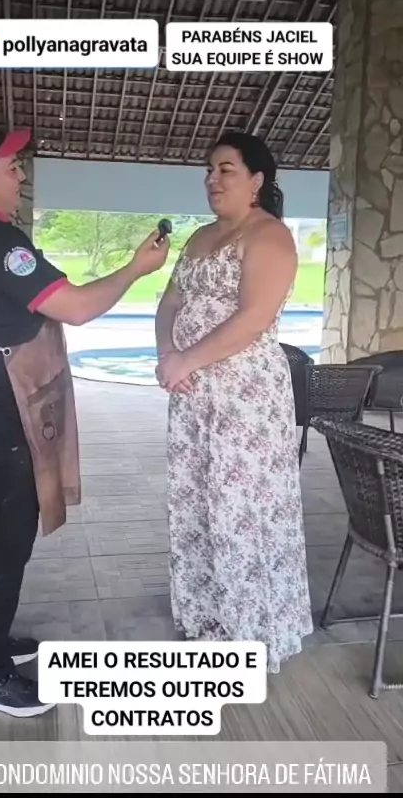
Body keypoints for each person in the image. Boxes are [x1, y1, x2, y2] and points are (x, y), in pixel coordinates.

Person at [0, 116, 170, 717]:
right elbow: (78, 307)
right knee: (4, 537)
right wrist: (136, 269)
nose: (20, 173)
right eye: (10, 165)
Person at [155, 130, 313, 673]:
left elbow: (253, 319)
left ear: (256, 180)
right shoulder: (199, 237)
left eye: (225, 169)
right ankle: (208, 617)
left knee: (242, 508)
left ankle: (249, 631)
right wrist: (167, 355)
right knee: (198, 500)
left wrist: (186, 360)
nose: (212, 179)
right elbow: (169, 302)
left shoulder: (270, 236)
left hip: (246, 401)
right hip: (193, 396)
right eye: (209, 170)